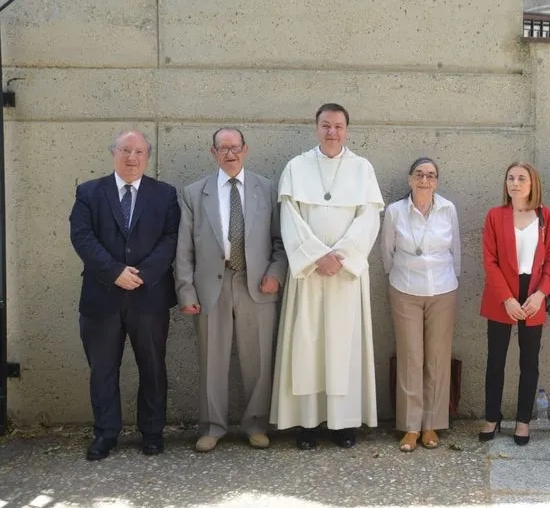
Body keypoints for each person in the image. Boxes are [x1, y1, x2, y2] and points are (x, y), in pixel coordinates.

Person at [270, 103, 384, 450]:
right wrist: (316, 256)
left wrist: (341, 257)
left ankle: (343, 424)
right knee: (307, 346)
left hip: (345, 276)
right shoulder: (296, 167)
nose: (332, 132)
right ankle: (307, 423)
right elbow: (290, 218)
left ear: (346, 130)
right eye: (325, 125)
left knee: (343, 348)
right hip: (309, 274)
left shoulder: (362, 169)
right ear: (316, 127)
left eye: (338, 126)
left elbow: (369, 218)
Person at [174, 127, 288, 453]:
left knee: (258, 360)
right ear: (213, 153)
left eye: (235, 147)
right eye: (223, 148)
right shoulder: (194, 193)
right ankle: (212, 427)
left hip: (257, 283)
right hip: (213, 285)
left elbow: (282, 240)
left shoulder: (267, 189)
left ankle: (256, 425)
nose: (230, 154)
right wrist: (186, 292)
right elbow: (184, 250)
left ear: (245, 149)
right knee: (212, 360)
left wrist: (275, 273)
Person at [69, 130, 180, 460]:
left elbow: (171, 238)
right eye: (126, 150)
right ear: (113, 152)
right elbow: (82, 237)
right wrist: (115, 271)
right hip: (101, 297)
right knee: (102, 369)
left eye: (139, 152)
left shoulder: (165, 194)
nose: (132, 157)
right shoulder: (89, 192)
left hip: (149, 297)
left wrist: (142, 275)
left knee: (153, 367)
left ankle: (152, 432)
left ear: (148, 156)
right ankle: (105, 433)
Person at [381, 157, 461, 452]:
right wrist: (399, 276)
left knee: (438, 358)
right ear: (410, 179)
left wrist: (451, 279)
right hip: (405, 289)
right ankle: (411, 427)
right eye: (419, 174)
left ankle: (431, 425)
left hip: (443, 289)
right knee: (411, 357)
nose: (424, 180)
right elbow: (387, 253)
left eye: (430, 175)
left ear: (436, 181)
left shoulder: (448, 209)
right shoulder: (395, 211)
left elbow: (456, 251)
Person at [478, 162, 550, 446]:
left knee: (529, 361)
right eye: (510, 178)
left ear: (532, 183)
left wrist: (540, 294)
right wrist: (507, 298)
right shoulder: (495, 215)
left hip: (533, 293)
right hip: (502, 294)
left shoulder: (545, 216)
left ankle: (523, 421)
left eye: (521, 178)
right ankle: (492, 417)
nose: (515, 183)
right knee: (495, 360)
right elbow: (490, 261)